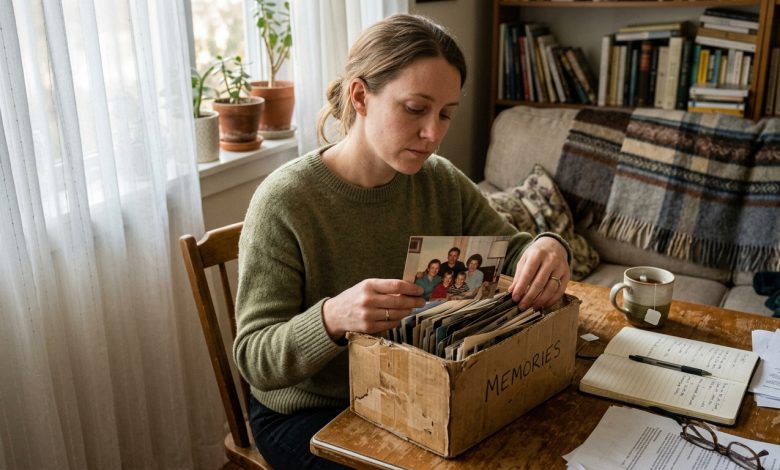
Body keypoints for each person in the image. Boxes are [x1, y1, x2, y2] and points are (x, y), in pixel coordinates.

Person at [233, 13, 571, 470]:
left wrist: (549, 247)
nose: (433, 133)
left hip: (411, 390)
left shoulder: (440, 182)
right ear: (360, 96)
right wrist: (332, 318)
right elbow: (255, 357)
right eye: (415, 109)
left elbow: (514, 247)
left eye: (446, 114)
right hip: (310, 410)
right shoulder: (285, 202)